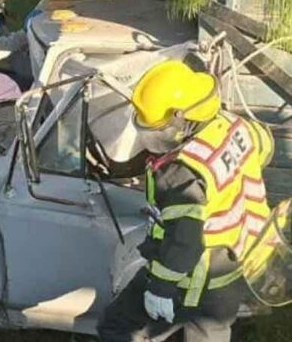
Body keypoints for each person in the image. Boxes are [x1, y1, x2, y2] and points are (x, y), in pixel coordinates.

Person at [98, 60, 274, 341]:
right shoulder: (233, 125)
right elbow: (265, 149)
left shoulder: (180, 173)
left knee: (118, 327)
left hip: (190, 280)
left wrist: (160, 289)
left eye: (159, 128)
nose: (153, 135)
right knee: (209, 334)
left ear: (184, 119)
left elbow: (185, 240)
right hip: (234, 270)